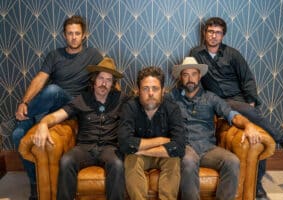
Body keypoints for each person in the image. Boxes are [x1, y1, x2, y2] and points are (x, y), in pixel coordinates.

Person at [190, 17, 283, 199]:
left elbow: (247, 78)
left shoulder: (232, 54)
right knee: (250, 117)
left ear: (223, 35)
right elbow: (193, 77)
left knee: (259, 133)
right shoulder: (196, 54)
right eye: (210, 31)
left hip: (238, 99)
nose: (213, 36)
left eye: (217, 33)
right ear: (204, 33)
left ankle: (257, 185)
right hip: (218, 101)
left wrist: (251, 102)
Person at [12, 15, 103, 200]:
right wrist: (24, 102)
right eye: (70, 33)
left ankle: (24, 116)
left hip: (75, 106)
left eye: (77, 33)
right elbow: (39, 79)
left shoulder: (93, 55)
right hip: (51, 107)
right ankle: (35, 186)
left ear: (84, 35)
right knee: (17, 135)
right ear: (64, 35)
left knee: (53, 90)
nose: (74, 37)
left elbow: (105, 78)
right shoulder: (55, 55)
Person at [31, 57, 127, 200]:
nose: (104, 83)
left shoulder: (121, 99)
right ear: (94, 80)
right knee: (66, 160)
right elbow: (58, 116)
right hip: (84, 148)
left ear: (113, 84)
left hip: (110, 148)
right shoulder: (81, 99)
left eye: (108, 80)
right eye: (101, 78)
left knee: (118, 164)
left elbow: (139, 109)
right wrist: (43, 123)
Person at [169, 56, 264, 200]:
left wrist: (248, 125)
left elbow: (231, 114)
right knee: (188, 161)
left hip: (208, 148)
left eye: (194, 74)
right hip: (185, 147)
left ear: (199, 76)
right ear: (181, 77)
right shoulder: (172, 97)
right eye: (186, 74)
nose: (190, 78)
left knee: (232, 161)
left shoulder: (211, 98)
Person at [117, 66, 186, 200]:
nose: (150, 93)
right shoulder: (130, 107)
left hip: (159, 155)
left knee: (174, 159)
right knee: (131, 159)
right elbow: (124, 143)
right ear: (138, 91)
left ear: (163, 91)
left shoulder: (172, 108)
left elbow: (179, 147)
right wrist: (161, 141)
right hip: (145, 156)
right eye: (145, 88)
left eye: (155, 88)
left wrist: (141, 150)